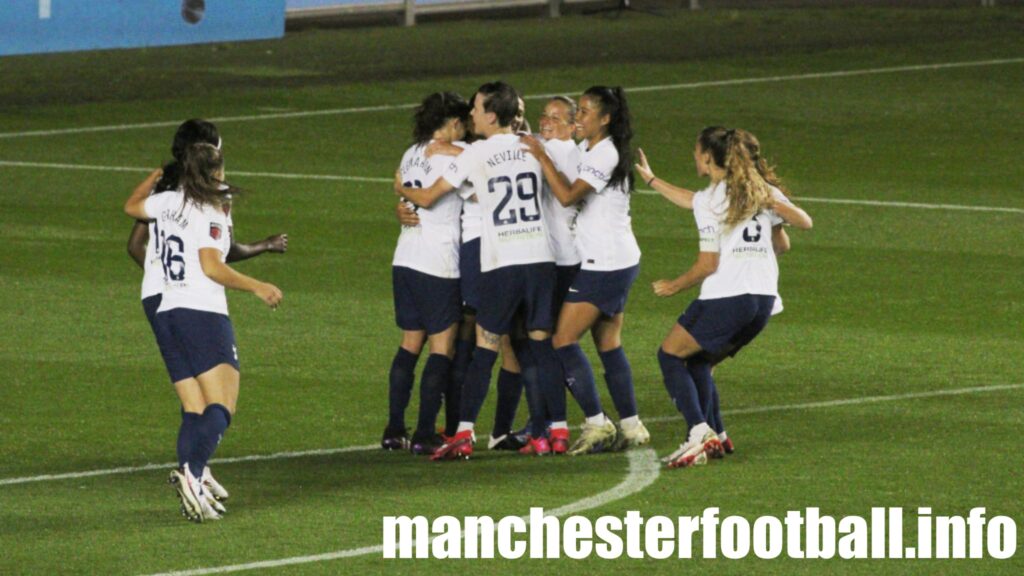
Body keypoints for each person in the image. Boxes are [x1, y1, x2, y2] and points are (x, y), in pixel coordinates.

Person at [397, 81, 567, 460]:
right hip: (540, 259)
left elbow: (427, 196)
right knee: (539, 346)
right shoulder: (534, 145)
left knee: (486, 348)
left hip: (501, 261)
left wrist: (399, 187)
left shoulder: (474, 154)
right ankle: (554, 431)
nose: (470, 115)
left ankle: (464, 432)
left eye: (475, 109)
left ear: (491, 115)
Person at [125, 119, 286, 513]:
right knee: (221, 406)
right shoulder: (211, 205)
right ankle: (191, 473)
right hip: (199, 305)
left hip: (161, 300)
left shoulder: (166, 197)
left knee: (194, 404)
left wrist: (156, 175)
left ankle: (195, 473)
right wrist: (258, 286)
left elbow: (131, 212)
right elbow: (214, 266)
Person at [651, 127, 811, 469]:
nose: (694, 157)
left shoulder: (713, 198)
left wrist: (674, 286)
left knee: (669, 355)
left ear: (709, 157)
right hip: (763, 301)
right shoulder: (763, 191)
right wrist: (652, 180)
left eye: (696, 152)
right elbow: (787, 240)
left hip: (727, 295)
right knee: (698, 362)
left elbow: (708, 264)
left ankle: (698, 432)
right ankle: (719, 436)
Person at [521, 86, 648, 456]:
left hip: (605, 264)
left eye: (587, 111)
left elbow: (567, 195)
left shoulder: (604, 153)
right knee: (608, 343)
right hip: (619, 259)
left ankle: (596, 422)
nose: (581, 116)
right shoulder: (592, 149)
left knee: (562, 339)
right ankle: (631, 425)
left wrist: (542, 157)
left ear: (605, 119)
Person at [385, 91, 471, 455]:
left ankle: (393, 429)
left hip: (405, 257)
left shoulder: (412, 152)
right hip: (438, 263)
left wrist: (399, 190)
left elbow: (408, 196)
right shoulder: (459, 155)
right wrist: (402, 192)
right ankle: (423, 432)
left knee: (409, 344)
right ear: (452, 123)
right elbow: (425, 198)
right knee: (442, 347)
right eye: (462, 123)